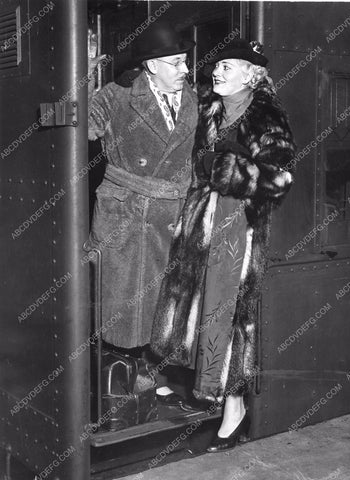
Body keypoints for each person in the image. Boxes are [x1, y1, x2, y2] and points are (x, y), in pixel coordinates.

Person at [151, 39, 296, 449]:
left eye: (228, 67)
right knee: (194, 312)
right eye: (217, 66)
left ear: (251, 75)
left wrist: (229, 169)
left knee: (228, 314)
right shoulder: (211, 108)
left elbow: (282, 177)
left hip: (237, 228)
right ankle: (200, 394)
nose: (217, 73)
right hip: (200, 227)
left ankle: (233, 413)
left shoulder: (267, 115)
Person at [87, 21, 198, 410]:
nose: (185, 70)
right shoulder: (116, 97)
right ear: (151, 66)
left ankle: (150, 381)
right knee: (121, 306)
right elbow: (81, 127)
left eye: (185, 62)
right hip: (126, 212)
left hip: (172, 211)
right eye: (175, 63)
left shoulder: (193, 98)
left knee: (161, 305)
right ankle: (115, 398)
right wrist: (83, 80)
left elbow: (193, 157)